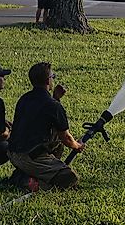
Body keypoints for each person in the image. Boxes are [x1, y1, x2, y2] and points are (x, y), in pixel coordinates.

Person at [7, 62, 85, 191]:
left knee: (56, 141)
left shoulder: (24, 98)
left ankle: (28, 173)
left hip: (13, 153)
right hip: (30, 157)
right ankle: (25, 181)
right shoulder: (53, 105)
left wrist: (56, 98)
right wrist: (78, 145)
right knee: (70, 178)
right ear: (48, 80)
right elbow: (65, 137)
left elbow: (42, 118)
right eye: (52, 76)